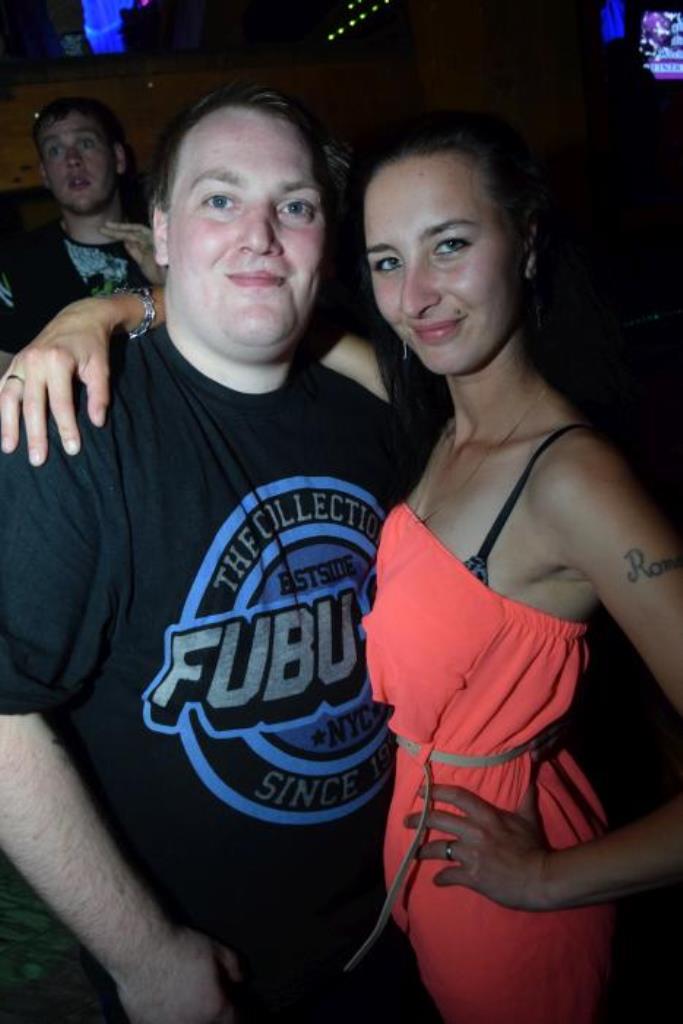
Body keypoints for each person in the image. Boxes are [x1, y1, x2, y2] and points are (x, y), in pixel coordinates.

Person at [3, 111, 683, 1024]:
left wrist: (551, 879)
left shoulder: (560, 472)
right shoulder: (417, 417)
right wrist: (117, 309)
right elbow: (258, 306)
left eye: (451, 244)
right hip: (361, 926)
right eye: (390, 260)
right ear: (160, 229)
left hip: (480, 910)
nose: (420, 291)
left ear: (525, 244)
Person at [0, 83, 440, 1024]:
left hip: (407, 921)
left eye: (295, 205)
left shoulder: (379, 402)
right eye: (220, 198)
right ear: (158, 231)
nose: (260, 236)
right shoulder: (73, 431)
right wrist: (144, 956)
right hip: (207, 978)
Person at [0, 95, 163, 354]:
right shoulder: (13, 264)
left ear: (118, 158)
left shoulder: (168, 246)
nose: (72, 159)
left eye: (86, 143)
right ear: (45, 174)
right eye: (55, 150)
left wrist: (167, 278)